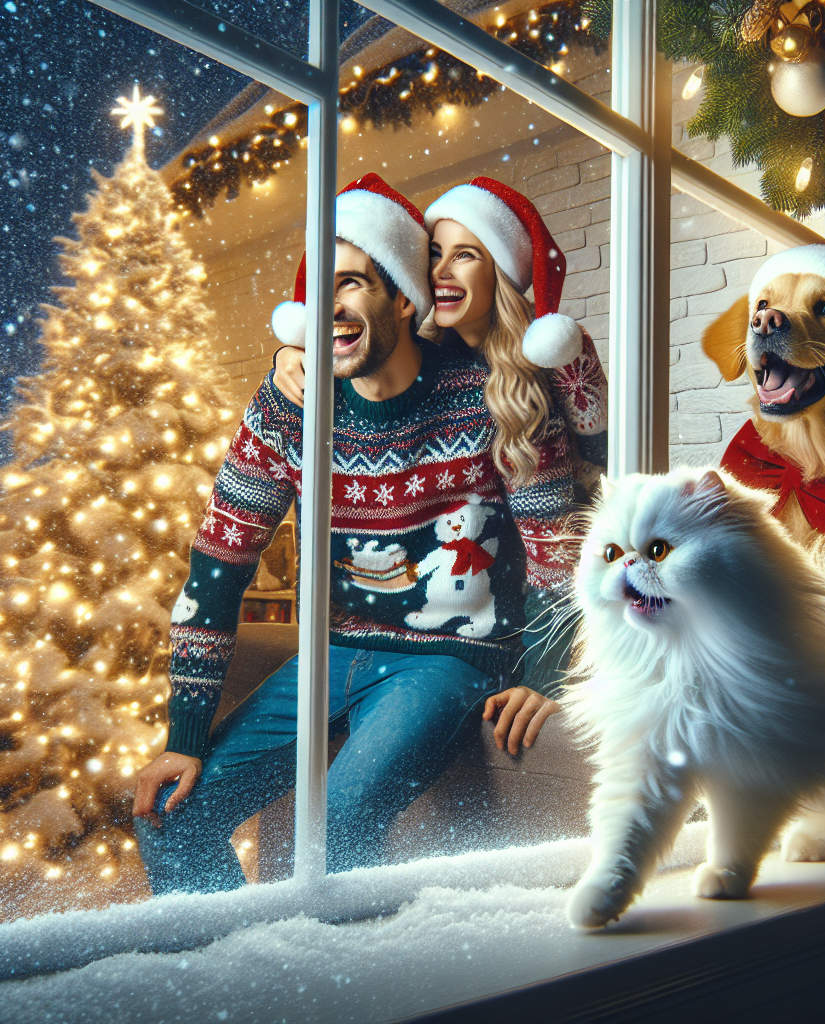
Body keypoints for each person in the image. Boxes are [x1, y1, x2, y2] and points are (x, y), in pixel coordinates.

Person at [132, 174, 578, 893]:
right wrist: (183, 736)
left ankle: (342, 967)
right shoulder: (288, 405)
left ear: (403, 297)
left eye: (351, 284)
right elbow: (218, 563)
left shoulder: (493, 393)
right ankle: (241, 963)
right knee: (170, 818)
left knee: (336, 823)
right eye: (320, 289)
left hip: (451, 659)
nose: (329, 307)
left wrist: (545, 675)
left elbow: (560, 552)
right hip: (333, 651)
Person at [273, 177, 608, 695]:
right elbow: (366, 349)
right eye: (434, 254)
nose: (439, 272)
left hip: (570, 571)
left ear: (501, 271)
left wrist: (552, 670)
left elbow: (605, 462)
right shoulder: (431, 357)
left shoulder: (555, 353)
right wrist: (293, 351)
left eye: (464, 255)